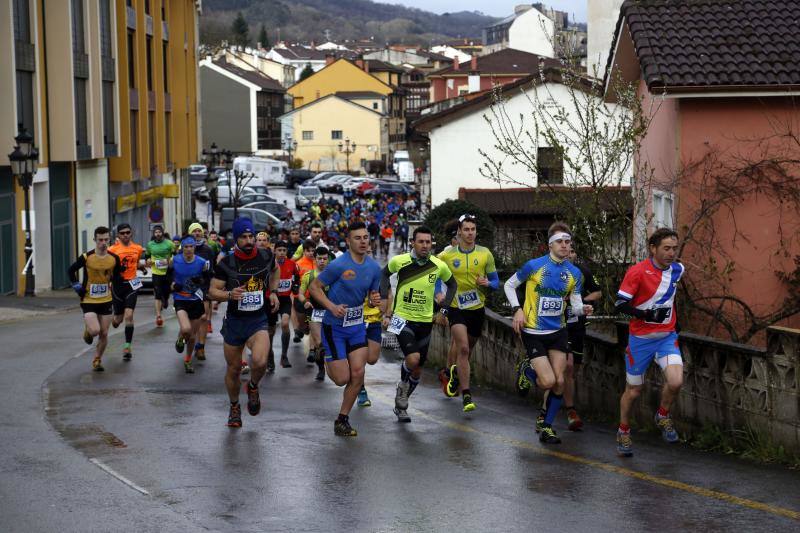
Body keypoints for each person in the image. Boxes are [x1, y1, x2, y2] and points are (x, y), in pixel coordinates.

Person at [503, 222, 593, 444]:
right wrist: (517, 310)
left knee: (560, 382)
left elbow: (575, 303)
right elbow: (509, 285)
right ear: (550, 244)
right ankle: (527, 371)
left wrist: (584, 309)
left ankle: (547, 427)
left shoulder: (575, 274)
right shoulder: (535, 266)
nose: (565, 246)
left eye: (568, 242)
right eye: (560, 242)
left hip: (559, 331)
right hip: (533, 331)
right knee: (547, 381)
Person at [614, 228, 684, 457]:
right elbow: (620, 305)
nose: (671, 253)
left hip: (666, 337)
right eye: (666, 248)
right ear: (653, 249)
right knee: (634, 391)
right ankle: (623, 430)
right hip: (640, 340)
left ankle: (662, 416)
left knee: (675, 382)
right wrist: (645, 316)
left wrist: (674, 324)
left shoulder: (678, 270)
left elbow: (670, 299)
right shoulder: (637, 272)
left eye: (674, 248)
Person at [309, 222, 382, 436]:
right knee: (342, 379)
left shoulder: (374, 268)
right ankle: (324, 353)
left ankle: (342, 419)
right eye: (357, 238)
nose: (362, 241)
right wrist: (331, 306)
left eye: (365, 237)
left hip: (357, 326)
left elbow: (372, 295)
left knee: (358, 373)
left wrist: (375, 299)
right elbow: (315, 288)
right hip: (334, 328)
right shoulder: (338, 265)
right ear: (348, 241)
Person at [380, 226, 457, 423]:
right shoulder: (400, 261)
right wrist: (382, 298)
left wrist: (445, 309)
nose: (425, 245)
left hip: (425, 320)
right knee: (412, 358)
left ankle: (401, 401)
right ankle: (402, 389)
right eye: (421, 241)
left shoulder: (438, 265)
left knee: (418, 369)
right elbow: (383, 275)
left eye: (428, 242)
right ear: (412, 243)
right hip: (402, 318)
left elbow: (452, 285)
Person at [209, 218, 280, 428]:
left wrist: (273, 292)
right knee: (233, 369)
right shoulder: (226, 263)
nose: (249, 241)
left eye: (251, 236)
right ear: (236, 239)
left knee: (260, 362)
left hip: (257, 319)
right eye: (244, 237)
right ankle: (234, 406)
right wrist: (230, 294)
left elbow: (275, 270)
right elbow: (212, 291)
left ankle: (253, 386)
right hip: (234, 322)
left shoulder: (266, 255)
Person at [437, 214, 499, 412]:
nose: (470, 233)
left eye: (473, 229)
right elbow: (434, 273)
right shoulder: (447, 256)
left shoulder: (485, 254)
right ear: (459, 232)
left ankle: (455, 373)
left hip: (476, 309)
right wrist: (438, 292)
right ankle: (466, 395)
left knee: (468, 351)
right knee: (462, 349)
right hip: (455, 307)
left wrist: (488, 283)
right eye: (466, 230)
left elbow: (496, 282)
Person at [537, 244, 602, 431]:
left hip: (577, 327)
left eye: (573, 251)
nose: (569, 253)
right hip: (557, 327)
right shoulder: (547, 272)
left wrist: (582, 303)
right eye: (566, 250)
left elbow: (598, 292)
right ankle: (567, 411)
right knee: (565, 367)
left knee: (570, 373)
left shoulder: (582, 272)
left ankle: (551, 411)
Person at [68, 226, 123, 372]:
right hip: (88, 300)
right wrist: (76, 285)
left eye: (106, 239)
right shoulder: (87, 257)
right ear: (95, 240)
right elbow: (71, 270)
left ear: (109, 239)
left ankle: (97, 359)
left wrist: (117, 285)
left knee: (104, 333)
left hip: (106, 299)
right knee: (95, 331)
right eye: (100, 240)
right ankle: (88, 330)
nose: (103, 243)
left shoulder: (114, 259)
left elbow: (118, 277)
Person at [171, 236, 211, 373]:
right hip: (180, 299)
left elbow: (208, 279)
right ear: (182, 247)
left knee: (192, 336)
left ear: (195, 247)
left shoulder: (202, 263)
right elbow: (167, 276)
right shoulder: (175, 260)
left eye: (191, 246)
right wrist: (172, 285)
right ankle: (180, 339)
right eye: (186, 247)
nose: (188, 249)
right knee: (186, 329)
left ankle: (187, 360)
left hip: (196, 300)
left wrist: (201, 281)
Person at [109, 223, 147, 361]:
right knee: (118, 320)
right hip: (118, 286)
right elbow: (108, 267)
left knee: (129, 315)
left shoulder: (137, 248)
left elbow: (135, 263)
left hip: (132, 285)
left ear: (131, 234)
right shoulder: (112, 250)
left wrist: (141, 268)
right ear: (118, 235)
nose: (125, 235)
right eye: (122, 233)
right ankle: (114, 320)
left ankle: (127, 346)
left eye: (128, 233)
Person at [298, 246, 330, 381]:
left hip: (331, 312)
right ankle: (321, 369)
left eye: (324, 259)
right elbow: (299, 293)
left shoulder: (335, 275)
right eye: (319, 258)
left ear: (328, 260)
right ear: (315, 259)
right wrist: (305, 301)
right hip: (314, 313)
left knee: (331, 342)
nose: (322, 261)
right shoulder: (308, 275)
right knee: (319, 343)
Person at [188, 222, 217, 360]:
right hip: (187, 288)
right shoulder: (185, 249)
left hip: (204, 286)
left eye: (199, 231)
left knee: (204, 317)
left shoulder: (208, 250)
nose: (197, 233)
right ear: (190, 234)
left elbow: (212, 270)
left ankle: (201, 347)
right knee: (190, 321)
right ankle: (187, 339)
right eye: (194, 231)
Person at [272, 241, 300, 369]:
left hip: (284, 300)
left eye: (284, 250)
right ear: (274, 251)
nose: (282, 253)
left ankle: (284, 355)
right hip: (271, 300)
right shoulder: (271, 264)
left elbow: (296, 277)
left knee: (284, 323)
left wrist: (295, 286)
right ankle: (269, 355)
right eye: (279, 250)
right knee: (270, 331)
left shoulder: (292, 264)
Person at [145, 225, 175, 328]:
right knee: (157, 293)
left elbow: (174, 254)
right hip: (156, 271)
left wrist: (171, 259)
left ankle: (165, 300)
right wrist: (148, 260)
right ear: (154, 233)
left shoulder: (169, 243)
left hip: (167, 271)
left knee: (166, 291)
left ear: (162, 232)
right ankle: (158, 316)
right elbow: (147, 255)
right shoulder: (150, 244)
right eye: (156, 232)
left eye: (159, 232)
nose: (157, 234)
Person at [292, 240, 316, 343]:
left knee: (313, 324)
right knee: (303, 325)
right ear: (304, 251)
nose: (311, 253)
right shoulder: (298, 264)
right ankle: (302, 328)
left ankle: (313, 349)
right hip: (301, 298)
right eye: (308, 251)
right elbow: (293, 282)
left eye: (313, 251)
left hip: (315, 298)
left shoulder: (318, 262)